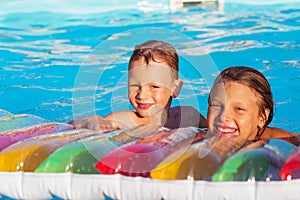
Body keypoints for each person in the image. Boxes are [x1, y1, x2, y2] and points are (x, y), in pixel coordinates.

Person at [69, 40, 207, 132]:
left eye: (154, 86)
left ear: (175, 88)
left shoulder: (188, 116)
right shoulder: (125, 121)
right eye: (135, 85)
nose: (142, 95)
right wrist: (91, 120)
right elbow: (71, 125)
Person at [206, 66, 299, 159]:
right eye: (216, 105)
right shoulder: (201, 136)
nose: (223, 116)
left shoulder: (283, 141)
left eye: (239, 109)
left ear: (262, 117)